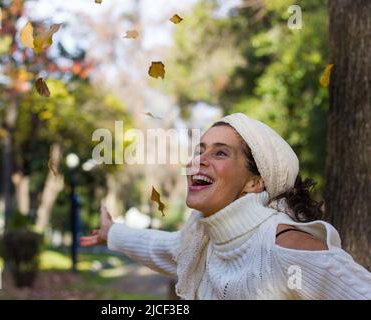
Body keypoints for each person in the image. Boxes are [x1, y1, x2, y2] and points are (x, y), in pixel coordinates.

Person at [81, 113, 371, 299]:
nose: (199, 160)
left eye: (220, 152)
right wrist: (113, 233)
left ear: (255, 182)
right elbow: (165, 248)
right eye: (200, 150)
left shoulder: (287, 247)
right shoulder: (202, 242)